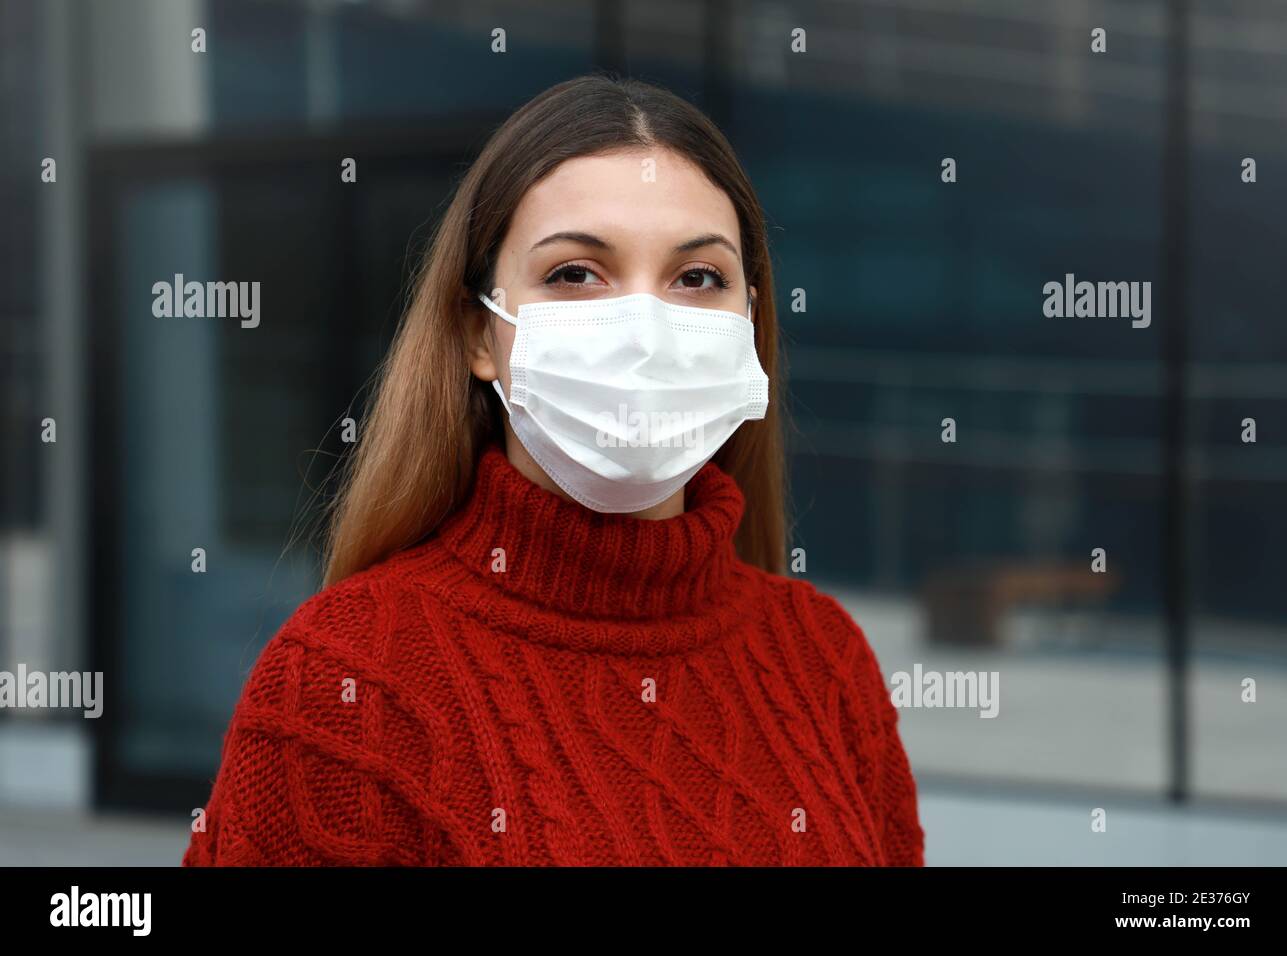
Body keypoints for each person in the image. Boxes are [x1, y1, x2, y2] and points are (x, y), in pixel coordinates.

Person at [183, 73, 924, 866]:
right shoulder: (346, 682)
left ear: (750, 320)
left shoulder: (822, 656)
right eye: (575, 273)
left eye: (697, 277)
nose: (646, 327)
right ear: (478, 332)